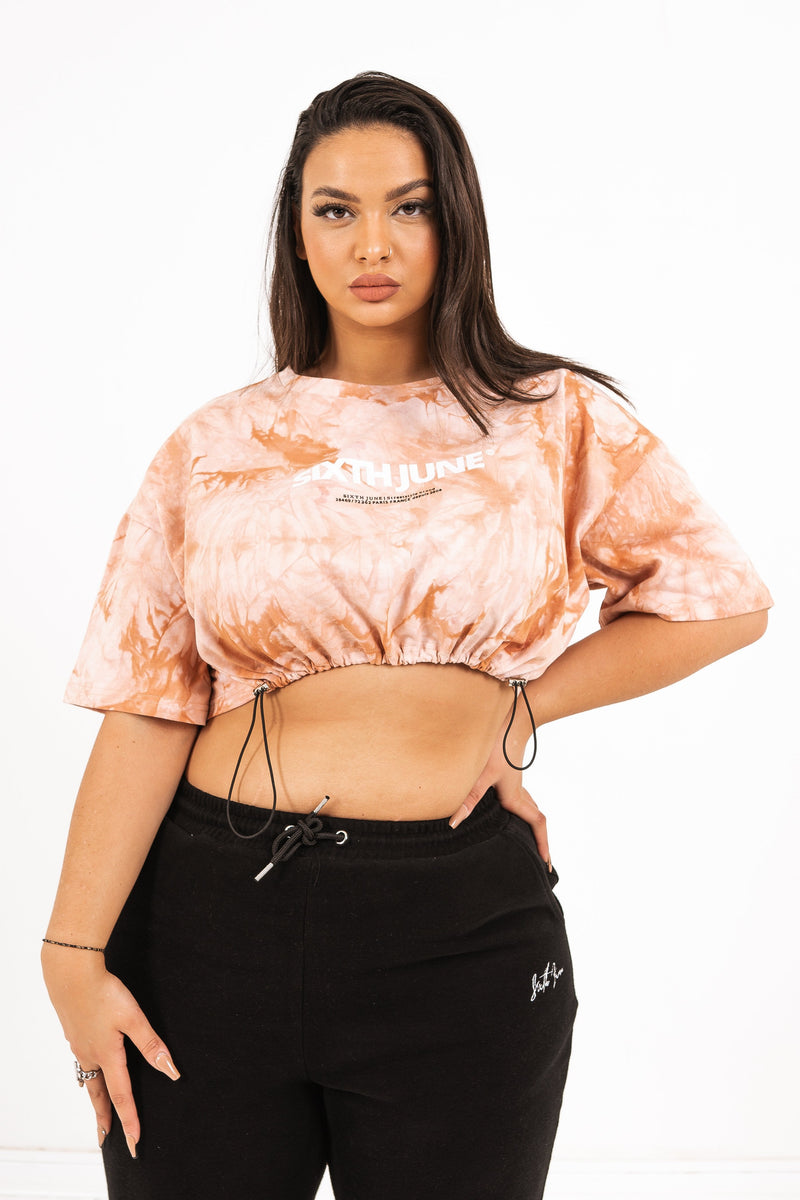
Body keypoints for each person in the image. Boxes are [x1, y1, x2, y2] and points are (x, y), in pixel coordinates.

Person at [41, 70, 772, 1200]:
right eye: (335, 209)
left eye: (409, 206)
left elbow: (720, 598)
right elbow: (149, 700)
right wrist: (71, 953)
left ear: (455, 221)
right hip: (208, 925)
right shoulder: (216, 445)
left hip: (458, 929)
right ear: (296, 232)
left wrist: (520, 709)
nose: (370, 243)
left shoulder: (552, 419)